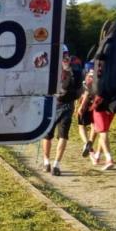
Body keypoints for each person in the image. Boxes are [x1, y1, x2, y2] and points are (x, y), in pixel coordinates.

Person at [42, 45, 82, 176]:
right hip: (67, 104)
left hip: (51, 103)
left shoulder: (48, 64)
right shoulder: (74, 66)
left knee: (47, 134)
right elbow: (79, 88)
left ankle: (46, 162)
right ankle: (56, 165)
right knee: (63, 135)